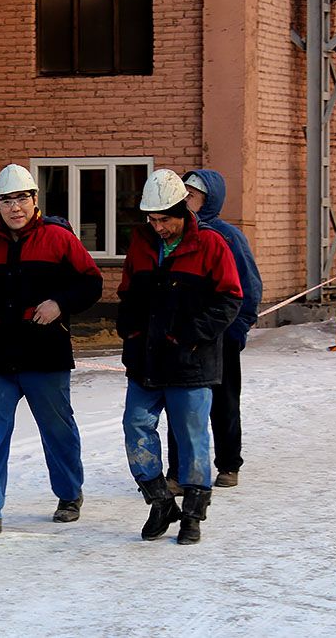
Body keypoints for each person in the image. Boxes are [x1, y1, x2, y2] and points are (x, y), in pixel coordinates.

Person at [0, 163, 102, 536]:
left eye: (21, 198)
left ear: (35, 200)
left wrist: (59, 303)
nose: (14, 207)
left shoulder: (59, 238)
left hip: (45, 352)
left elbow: (91, 283)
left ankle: (69, 493)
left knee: (57, 429)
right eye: (6, 200)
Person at [117, 169, 242, 545]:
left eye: (165, 220)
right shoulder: (139, 244)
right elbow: (126, 294)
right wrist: (130, 331)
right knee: (135, 425)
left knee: (192, 438)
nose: (158, 228)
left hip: (192, 361)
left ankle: (193, 515)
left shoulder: (212, 244)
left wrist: (191, 335)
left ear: (182, 212)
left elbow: (231, 299)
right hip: (146, 358)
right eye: (152, 220)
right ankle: (158, 499)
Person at [165, 170, 263, 492]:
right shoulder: (172, 234)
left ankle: (228, 464)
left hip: (221, 336)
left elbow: (248, 286)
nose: (185, 200)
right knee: (180, 404)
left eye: (191, 195)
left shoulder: (227, 236)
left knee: (224, 403)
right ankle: (178, 472)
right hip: (182, 336)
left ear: (209, 199)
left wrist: (238, 329)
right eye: (183, 193)